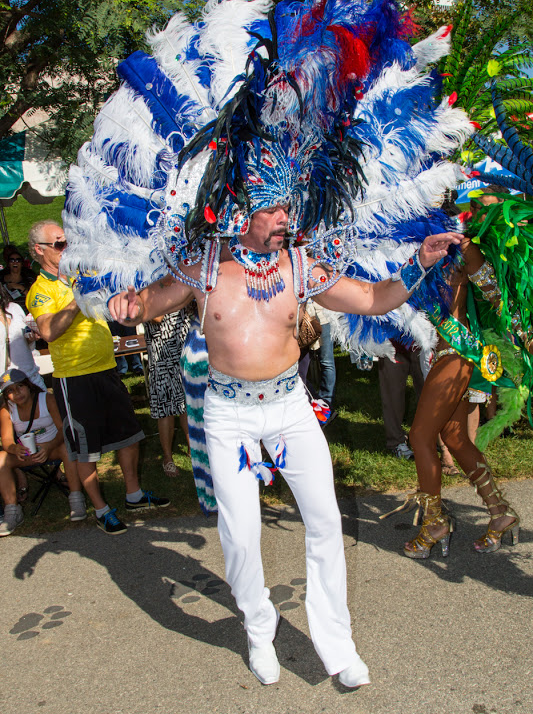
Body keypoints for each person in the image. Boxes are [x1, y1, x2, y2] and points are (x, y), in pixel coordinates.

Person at [109, 207, 460, 688]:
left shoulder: (299, 265)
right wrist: (126, 306)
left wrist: (420, 262)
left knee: (325, 519)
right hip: (229, 416)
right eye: (272, 210)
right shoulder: (204, 266)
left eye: (287, 208)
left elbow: (374, 298)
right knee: (240, 530)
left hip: (290, 410)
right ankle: (258, 628)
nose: (284, 219)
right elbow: (145, 305)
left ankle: (339, 646)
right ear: (241, 213)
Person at [26, 220, 170, 535]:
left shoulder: (81, 274)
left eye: (67, 242)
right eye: (60, 244)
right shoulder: (41, 290)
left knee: (129, 435)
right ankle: (101, 509)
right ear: (40, 250)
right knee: (85, 448)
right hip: (74, 378)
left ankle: (133, 494)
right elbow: (49, 331)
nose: (67, 248)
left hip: (106, 367)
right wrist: (77, 299)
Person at [382, 235, 521, 558]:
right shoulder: (410, 241)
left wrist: (521, 333)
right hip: (438, 352)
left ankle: (433, 522)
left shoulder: (461, 244)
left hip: (456, 351)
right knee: (456, 438)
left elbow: (497, 296)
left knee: (420, 436)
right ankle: (500, 512)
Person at [0, 368, 86, 536]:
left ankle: (76, 500)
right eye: (10, 391)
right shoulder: (6, 410)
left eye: (20, 387)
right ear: (5, 395)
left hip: (53, 448)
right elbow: (7, 441)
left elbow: (63, 429)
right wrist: (14, 448)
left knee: (66, 447)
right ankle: (12, 512)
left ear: (28, 386)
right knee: (0, 458)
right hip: (27, 454)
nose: (17, 393)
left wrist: (49, 446)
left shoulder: (47, 399)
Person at [144, 309, 191, 477]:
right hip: (162, 355)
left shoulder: (180, 283)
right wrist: (174, 298)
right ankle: (167, 458)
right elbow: (155, 317)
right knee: (166, 409)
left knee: (188, 404)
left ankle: (192, 449)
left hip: (184, 347)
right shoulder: (148, 287)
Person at [377, 341, 425, 459]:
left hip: (422, 341)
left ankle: (433, 437)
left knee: (428, 394)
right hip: (390, 342)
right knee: (392, 395)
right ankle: (396, 441)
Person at [0, 282, 45, 392]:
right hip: (5, 384)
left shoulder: (14, 308)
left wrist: (31, 338)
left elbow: (28, 343)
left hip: (30, 377)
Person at [0, 245, 36, 312]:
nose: (15, 262)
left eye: (18, 260)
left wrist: (21, 287)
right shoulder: (1, 281)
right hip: (8, 315)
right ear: (8, 263)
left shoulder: (29, 279)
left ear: (22, 263)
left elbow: (34, 299)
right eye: (12, 260)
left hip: (26, 314)